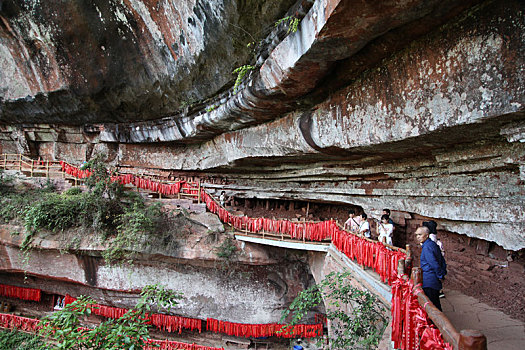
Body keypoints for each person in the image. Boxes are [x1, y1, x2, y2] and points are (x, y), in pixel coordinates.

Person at [415, 226, 447, 311]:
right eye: (417, 235)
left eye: (420, 234)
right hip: (432, 279)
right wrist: (442, 273)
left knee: (432, 306)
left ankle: (438, 324)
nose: (418, 237)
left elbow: (434, 263)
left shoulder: (427, 247)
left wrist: (440, 275)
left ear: (427, 235)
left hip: (430, 280)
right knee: (435, 304)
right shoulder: (432, 244)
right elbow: (442, 260)